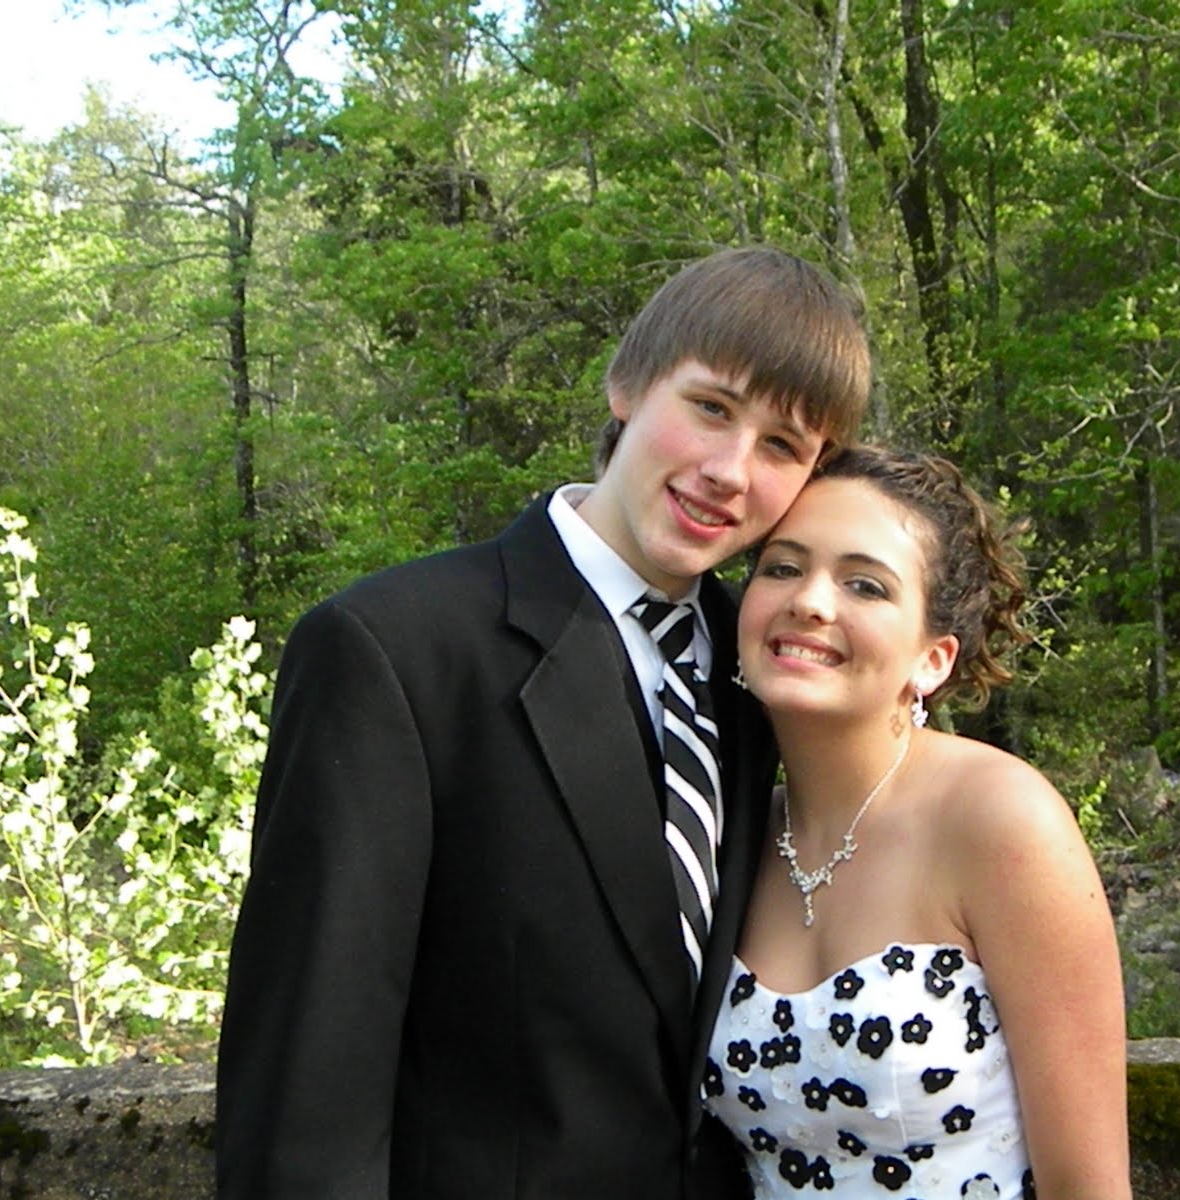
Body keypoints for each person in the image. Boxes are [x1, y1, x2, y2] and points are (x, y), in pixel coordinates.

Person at [214, 247, 873, 1200]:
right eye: (711, 407)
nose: (730, 471)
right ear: (627, 385)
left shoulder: (763, 674)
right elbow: (305, 1092)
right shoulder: (394, 651)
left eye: (782, 446)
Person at [703, 448, 1131, 1199]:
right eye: (782, 568)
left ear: (932, 659)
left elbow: (1088, 1188)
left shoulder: (999, 820)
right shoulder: (732, 834)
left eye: (865, 584)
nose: (810, 601)